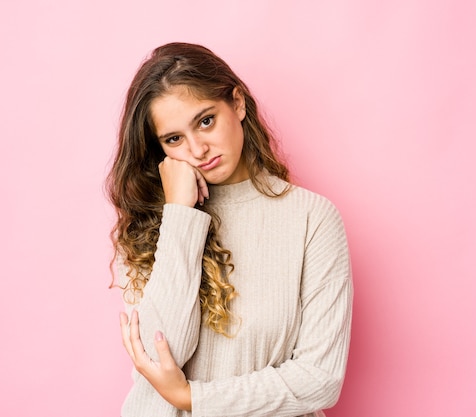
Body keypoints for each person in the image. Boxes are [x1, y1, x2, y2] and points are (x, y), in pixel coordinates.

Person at [107, 42, 353, 417]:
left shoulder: (311, 219)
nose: (198, 149)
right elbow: (160, 356)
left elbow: (320, 378)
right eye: (174, 139)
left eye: (205, 121)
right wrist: (179, 214)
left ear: (237, 104)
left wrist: (192, 398)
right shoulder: (150, 225)